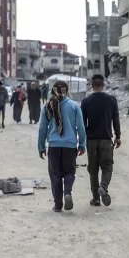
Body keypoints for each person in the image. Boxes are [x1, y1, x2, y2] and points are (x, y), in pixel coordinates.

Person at [38, 81, 87, 212]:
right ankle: (67, 193)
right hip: (70, 146)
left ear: (52, 91)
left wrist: (41, 146)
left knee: (55, 175)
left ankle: (58, 204)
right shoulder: (74, 106)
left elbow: (42, 128)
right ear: (67, 90)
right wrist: (82, 144)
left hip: (54, 146)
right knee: (69, 172)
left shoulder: (47, 107)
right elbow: (81, 127)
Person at [80, 74, 121, 207]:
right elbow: (116, 119)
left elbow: (82, 124)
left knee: (93, 169)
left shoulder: (86, 102)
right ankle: (103, 187)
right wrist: (118, 136)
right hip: (106, 139)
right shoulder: (111, 100)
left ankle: (96, 198)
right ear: (103, 85)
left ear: (92, 85)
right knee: (107, 167)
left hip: (91, 140)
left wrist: (82, 141)